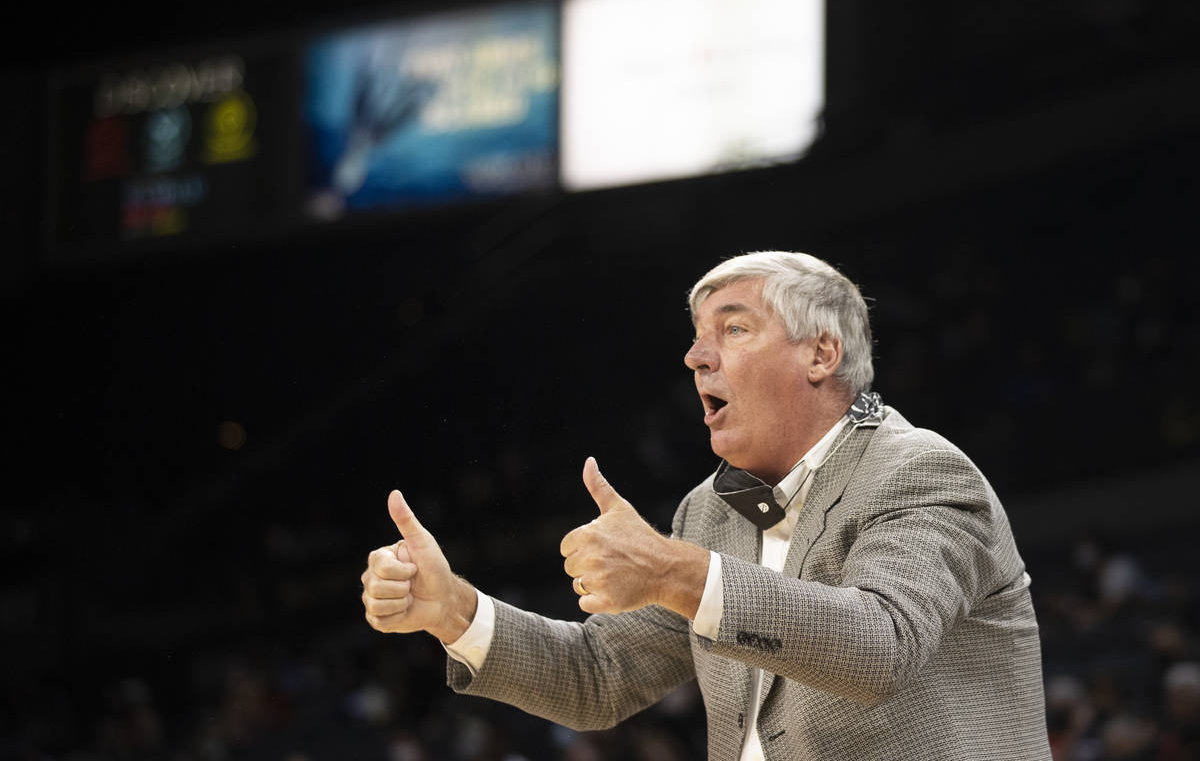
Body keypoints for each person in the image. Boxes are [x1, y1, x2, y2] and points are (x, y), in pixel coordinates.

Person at [360, 251, 1051, 760]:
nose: (696, 356)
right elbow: (598, 678)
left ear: (821, 353)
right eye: (696, 335)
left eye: (734, 329)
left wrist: (677, 574)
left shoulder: (922, 471)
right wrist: (455, 610)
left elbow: (880, 646)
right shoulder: (711, 512)